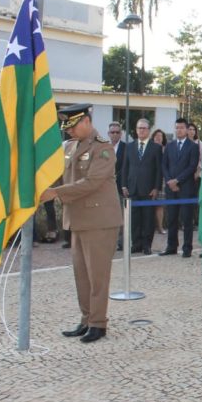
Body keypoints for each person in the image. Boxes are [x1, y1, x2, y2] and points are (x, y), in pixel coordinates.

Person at [39, 104, 122, 343]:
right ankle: (86, 320)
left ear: (86, 121)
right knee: (81, 275)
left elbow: (92, 182)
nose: (69, 132)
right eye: (66, 128)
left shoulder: (103, 148)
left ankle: (98, 323)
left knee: (97, 275)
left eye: (73, 126)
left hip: (99, 220)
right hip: (78, 220)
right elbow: (56, 173)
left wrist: (55, 192)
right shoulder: (69, 146)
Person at [121, 118, 163, 255]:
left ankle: (147, 245)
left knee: (148, 220)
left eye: (144, 128)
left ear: (148, 130)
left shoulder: (156, 148)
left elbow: (158, 170)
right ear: (136, 129)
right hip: (132, 188)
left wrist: (156, 187)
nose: (141, 130)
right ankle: (136, 244)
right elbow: (125, 167)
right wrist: (123, 185)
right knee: (134, 220)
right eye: (139, 128)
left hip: (149, 189)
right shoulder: (130, 146)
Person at [160, 118, 199, 258]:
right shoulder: (170, 146)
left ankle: (187, 248)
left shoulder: (193, 147)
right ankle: (171, 246)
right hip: (171, 188)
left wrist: (178, 180)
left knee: (187, 219)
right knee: (171, 219)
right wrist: (170, 181)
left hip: (186, 188)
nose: (179, 130)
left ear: (187, 129)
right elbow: (164, 165)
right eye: (177, 127)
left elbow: (192, 166)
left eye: (181, 128)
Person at [108, 122, 126, 251]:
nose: (115, 134)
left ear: (121, 133)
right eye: (112, 132)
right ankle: (108, 241)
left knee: (120, 216)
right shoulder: (103, 147)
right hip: (105, 188)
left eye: (117, 132)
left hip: (120, 187)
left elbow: (126, 167)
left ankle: (121, 242)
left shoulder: (126, 148)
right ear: (108, 134)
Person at [151, 128, 168, 234]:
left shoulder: (166, 149)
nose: (158, 137)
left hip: (162, 180)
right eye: (156, 136)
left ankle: (160, 227)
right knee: (148, 206)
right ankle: (150, 227)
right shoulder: (148, 148)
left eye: (160, 136)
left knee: (160, 205)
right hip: (149, 180)